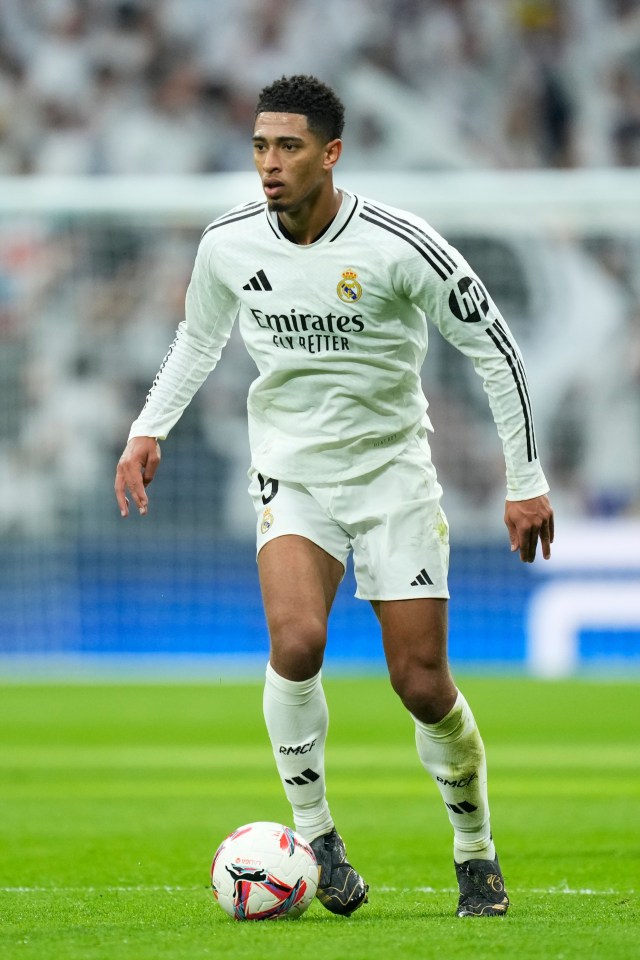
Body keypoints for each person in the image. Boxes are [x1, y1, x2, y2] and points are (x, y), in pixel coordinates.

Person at [115, 74, 554, 918]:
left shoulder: (400, 245)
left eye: (287, 147)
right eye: (259, 146)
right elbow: (197, 340)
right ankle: (317, 839)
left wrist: (525, 480)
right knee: (297, 640)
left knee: (421, 683)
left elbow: (495, 347)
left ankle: (474, 850)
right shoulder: (228, 245)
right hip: (294, 472)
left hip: (393, 477)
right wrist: (149, 427)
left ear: (331, 153)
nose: (269, 164)